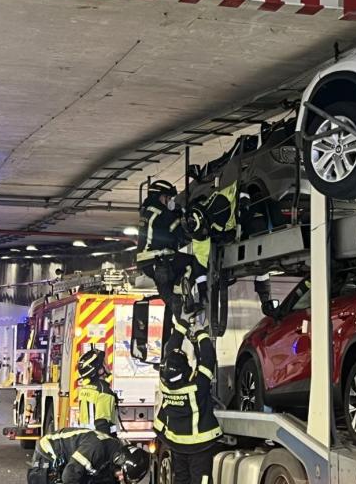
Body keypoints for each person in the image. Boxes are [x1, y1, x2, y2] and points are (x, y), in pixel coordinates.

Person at [154, 316, 222, 484]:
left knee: (182, 479)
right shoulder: (197, 387)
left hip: (178, 445)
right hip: (200, 446)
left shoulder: (165, 385)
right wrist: (200, 332)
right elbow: (208, 357)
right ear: (186, 372)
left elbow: (170, 351)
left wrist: (182, 325)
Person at [136, 179, 193, 346]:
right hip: (158, 261)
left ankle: (182, 318)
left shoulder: (148, 210)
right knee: (192, 264)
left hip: (152, 262)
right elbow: (178, 233)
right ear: (160, 197)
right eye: (168, 198)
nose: (170, 201)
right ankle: (184, 318)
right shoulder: (161, 212)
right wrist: (181, 215)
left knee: (169, 293)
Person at [27, 425, 150, 484]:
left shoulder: (114, 455)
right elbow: (69, 476)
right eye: (122, 475)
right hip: (49, 451)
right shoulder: (96, 449)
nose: (121, 479)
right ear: (119, 460)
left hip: (71, 459)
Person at [77, 348, 118, 431]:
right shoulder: (103, 391)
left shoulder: (84, 389)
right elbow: (102, 423)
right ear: (100, 370)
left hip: (84, 437)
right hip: (97, 437)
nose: (107, 366)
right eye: (104, 364)